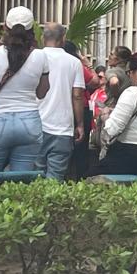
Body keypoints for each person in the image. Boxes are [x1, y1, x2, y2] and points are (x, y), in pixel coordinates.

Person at [0, 7, 50, 172]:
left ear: (5, 27)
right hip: (29, 122)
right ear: (31, 30)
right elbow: (41, 92)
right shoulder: (41, 56)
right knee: (20, 185)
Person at [36, 24, 86, 180]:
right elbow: (77, 95)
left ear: (43, 38)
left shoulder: (33, 57)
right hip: (62, 128)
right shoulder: (74, 62)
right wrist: (80, 124)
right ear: (63, 39)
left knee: (34, 176)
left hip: (35, 125)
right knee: (55, 179)